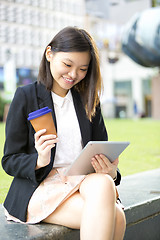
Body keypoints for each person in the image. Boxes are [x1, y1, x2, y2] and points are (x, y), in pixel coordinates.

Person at [2, 26, 126, 240]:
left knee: (105, 182)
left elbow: (100, 152)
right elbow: (9, 160)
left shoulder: (89, 101)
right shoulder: (26, 96)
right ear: (49, 54)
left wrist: (111, 171)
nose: (73, 74)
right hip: (39, 187)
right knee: (116, 217)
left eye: (82, 69)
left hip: (82, 182)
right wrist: (39, 159)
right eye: (67, 64)